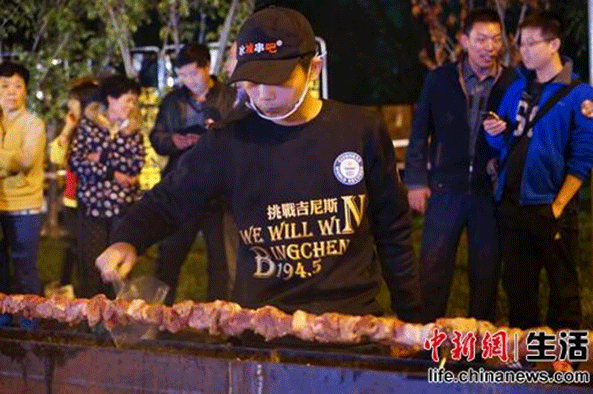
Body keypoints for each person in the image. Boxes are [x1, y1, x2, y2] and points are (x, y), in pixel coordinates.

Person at [96, 6, 421, 321]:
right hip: (263, 322)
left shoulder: (360, 130)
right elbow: (171, 198)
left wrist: (412, 318)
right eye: (252, 81)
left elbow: (392, 228)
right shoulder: (230, 140)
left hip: (349, 318)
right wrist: (128, 239)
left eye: (276, 80)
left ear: (314, 69)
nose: (263, 94)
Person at [483, 11, 593, 330]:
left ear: (555, 44)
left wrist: (559, 204)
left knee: (563, 289)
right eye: (522, 44)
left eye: (532, 43)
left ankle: (566, 359)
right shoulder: (517, 88)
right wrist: (494, 132)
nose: (525, 50)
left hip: (551, 205)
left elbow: (584, 155)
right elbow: (500, 143)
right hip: (512, 205)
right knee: (519, 290)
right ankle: (527, 360)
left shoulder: (580, 95)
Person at [404, 9, 517, 324]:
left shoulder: (511, 82)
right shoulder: (440, 79)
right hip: (444, 188)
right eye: (481, 39)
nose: (489, 47)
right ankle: (427, 346)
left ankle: (478, 352)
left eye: (496, 39)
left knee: (486, 272)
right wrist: (415, 181)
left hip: (488, 192)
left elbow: (520, 136)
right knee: (433, 270)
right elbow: (419, 132)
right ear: (465, 40)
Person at [149, 43, 239, 305]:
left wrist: (217, 132)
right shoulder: (173, 101)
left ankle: (218, 319)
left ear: (207, 68)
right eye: (183, 75)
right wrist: (175, 141)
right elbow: (157, 136)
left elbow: (240, 135)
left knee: (221, 261)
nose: (188, 80)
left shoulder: (229, 96)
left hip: (218, 192)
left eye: (193, 73)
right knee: (169, 256)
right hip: (182, 187)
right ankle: (160, 316)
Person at [70, 74, 144, 298]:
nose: (131, 106)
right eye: (127, 100)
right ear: (111, 98)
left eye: (134, 101)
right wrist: (112, 171)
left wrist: (99, 157)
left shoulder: (133, 131)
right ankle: (92, 323)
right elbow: (76, 162)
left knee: (120, 268)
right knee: (93, 267)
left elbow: (135, 166)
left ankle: (118, 321)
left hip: (124, 209)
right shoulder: (88, 126)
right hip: (94, 208)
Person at [0, 61, 46, 327]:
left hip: (24, 208)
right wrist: (9, 161)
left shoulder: (34, 124)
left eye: (18, 86)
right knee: (1, 271)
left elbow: (26, 161)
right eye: (5, 86)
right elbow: (13, 161)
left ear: (26, 91)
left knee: (25, 270)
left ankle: (33, 328)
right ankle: (4, 327)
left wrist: (9, 162)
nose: (11, 92)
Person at [47, 78, 100, 298]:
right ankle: (72, 289)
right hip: (72, 199)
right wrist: (68, 128)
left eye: (73, 102)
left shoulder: (98, 130)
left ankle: (86, 294)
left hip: (93, 201)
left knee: (86, 252)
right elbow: (55, 157)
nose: (70, 106)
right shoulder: (72, 130)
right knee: (75, 247)